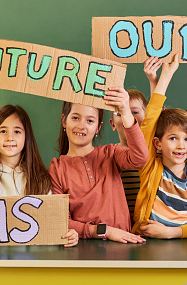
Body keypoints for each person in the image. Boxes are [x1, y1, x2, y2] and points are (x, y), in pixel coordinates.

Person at [0, 105, 78, 249]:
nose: (10, 137)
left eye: (17, 131)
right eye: (3, 131)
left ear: (26, 136)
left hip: (35, 261)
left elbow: (52, 221)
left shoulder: (40, 178)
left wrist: (67, 234)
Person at [49, 86, 148, 243]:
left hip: (125, 246)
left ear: (98, 128)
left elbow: (140, 158)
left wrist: (125, 112)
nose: (82, 126)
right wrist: (104, 231)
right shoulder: (57, 168)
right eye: (75, 118)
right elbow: (61, 220)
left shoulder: (111, 153)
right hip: (85, 248)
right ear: (64, 121)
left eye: (90, 121)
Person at [132, 55, 187, 239]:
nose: (180, 145)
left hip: (186, 247)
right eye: (173, 138)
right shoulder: (150, 167)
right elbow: (150, 121)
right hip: (146, 244)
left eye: (186, 139)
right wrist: (166, 75)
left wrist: (170, 233)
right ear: (157, 143)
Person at [109, 89, 148, 219]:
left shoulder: (160, 153)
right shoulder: (109, 156)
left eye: (135, 112)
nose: (128, 117)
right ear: (112, 124)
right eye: (120, 113)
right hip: (122, 228)